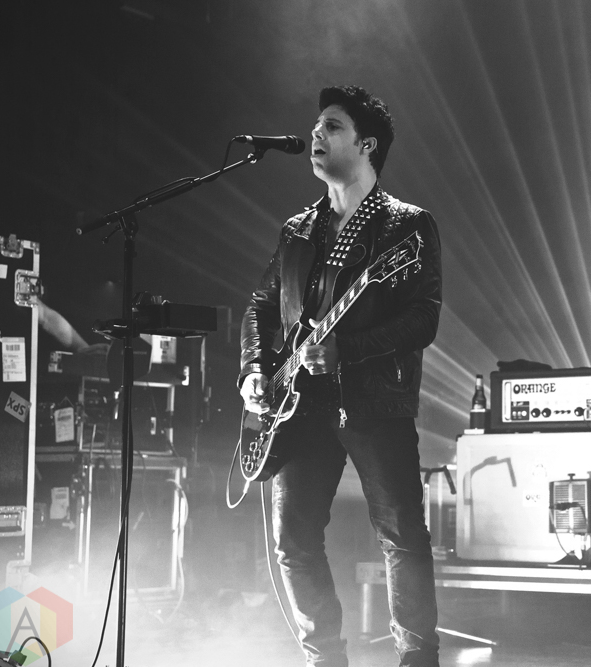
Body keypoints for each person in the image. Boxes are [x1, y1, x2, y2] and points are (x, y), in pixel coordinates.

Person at [238, 85, 442, 667]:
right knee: (293, 540)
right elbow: (261, 305)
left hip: (374, 401)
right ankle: (324, 658)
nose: (315, 135)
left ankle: (417, 659)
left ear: (366, 144)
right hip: (297, 404)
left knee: (401, 535)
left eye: (331, 126)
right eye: (316, 126)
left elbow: (423, 318)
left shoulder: (407, 226)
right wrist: (254, 369)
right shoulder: (299, 229)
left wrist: (345, 351)